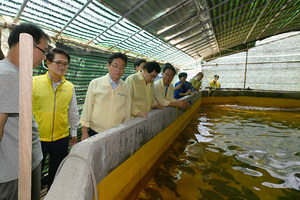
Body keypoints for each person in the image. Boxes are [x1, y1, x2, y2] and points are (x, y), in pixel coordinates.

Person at [0, 23, 49, 200]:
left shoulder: (14, 73)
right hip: (14, 172)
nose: (44, 57)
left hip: (23, 164)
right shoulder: (8, 75)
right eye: (43, 50)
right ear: (25, 44)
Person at [32, 48, 79, 190]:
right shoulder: (34, 82)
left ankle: (52, 194)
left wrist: (74, 132)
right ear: (48, 63)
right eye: (58, 63)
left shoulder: (69, 87)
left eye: (65, 64)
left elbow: (73, 111)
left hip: (61, 138)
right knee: (34, 173)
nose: (62, 67)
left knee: (57, 171)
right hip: (37, 138)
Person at [80, 53, 131, 140]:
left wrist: (126, 131)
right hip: (96, 131)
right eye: (115, 66)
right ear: (108, 66)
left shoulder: (126, 87)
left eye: (122, 67)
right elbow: (87, 108)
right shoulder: (95, 83)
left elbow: (127, 110)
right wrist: (84, 132)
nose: (118, 70)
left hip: (116, 132)